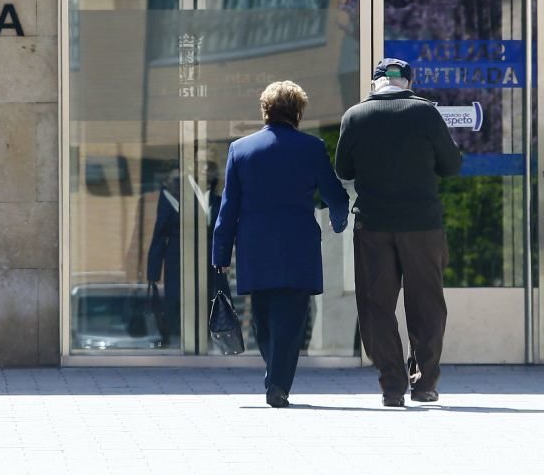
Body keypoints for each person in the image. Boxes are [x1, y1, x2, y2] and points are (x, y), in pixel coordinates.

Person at [212, 81, 348, 408]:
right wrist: (339, 220)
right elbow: (334, 195)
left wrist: (220, 252)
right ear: (298, 112)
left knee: (262, 319)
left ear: (265, 110)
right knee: (292, 320)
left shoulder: (240, 150)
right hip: (298, 246)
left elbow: (228, 206)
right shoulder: (311, 147)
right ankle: (278, 383)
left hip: (255, 248)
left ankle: (273, 377)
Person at [335, 58, 461, 407]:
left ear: (375, 83)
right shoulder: (425, 114)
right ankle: (424, 384)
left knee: (376, 304)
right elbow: (452, 166)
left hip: (373, 224)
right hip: (422, 224)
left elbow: (342, 168)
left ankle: (392, 386)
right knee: (426, 303)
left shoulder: (355, 116)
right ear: (408, 82)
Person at [146, 161, 221, 346]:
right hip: (177, 258)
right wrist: (153, 272)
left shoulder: (210, 198)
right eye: (174, 180)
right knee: (176, 300)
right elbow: (160, 233)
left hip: (206, 259)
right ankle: (179, 339)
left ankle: (204, 338)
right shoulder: (172, 198)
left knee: (207, 299)